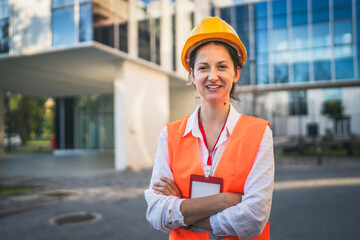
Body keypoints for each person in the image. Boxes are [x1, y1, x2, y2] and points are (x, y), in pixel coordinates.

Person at [145, 16, 274, 240]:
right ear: (192, 76)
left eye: (222, 66)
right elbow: (156, 213)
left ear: (236, 73)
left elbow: (253, 219)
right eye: (203, 67)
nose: (212, 76)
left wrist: (184, 210)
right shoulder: (170, 135)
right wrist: (222, 201)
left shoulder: (259, 133)